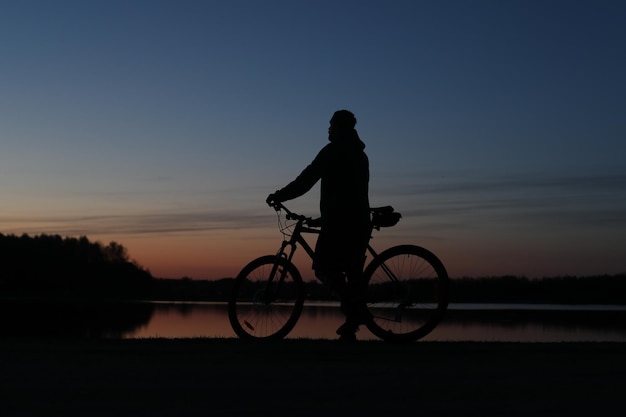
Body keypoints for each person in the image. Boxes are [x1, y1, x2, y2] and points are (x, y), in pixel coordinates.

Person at [266, 110, 371, 341]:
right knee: (352, 270)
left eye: (331, 125)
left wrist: (280, 195)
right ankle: (353, 320)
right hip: (358, 219)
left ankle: (355, 309)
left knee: (324, 267)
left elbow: (307, 179)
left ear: (339, 127)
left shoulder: (334, 150)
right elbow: (350, 191)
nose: (328, 129)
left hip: (341, 221)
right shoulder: (360, 154)